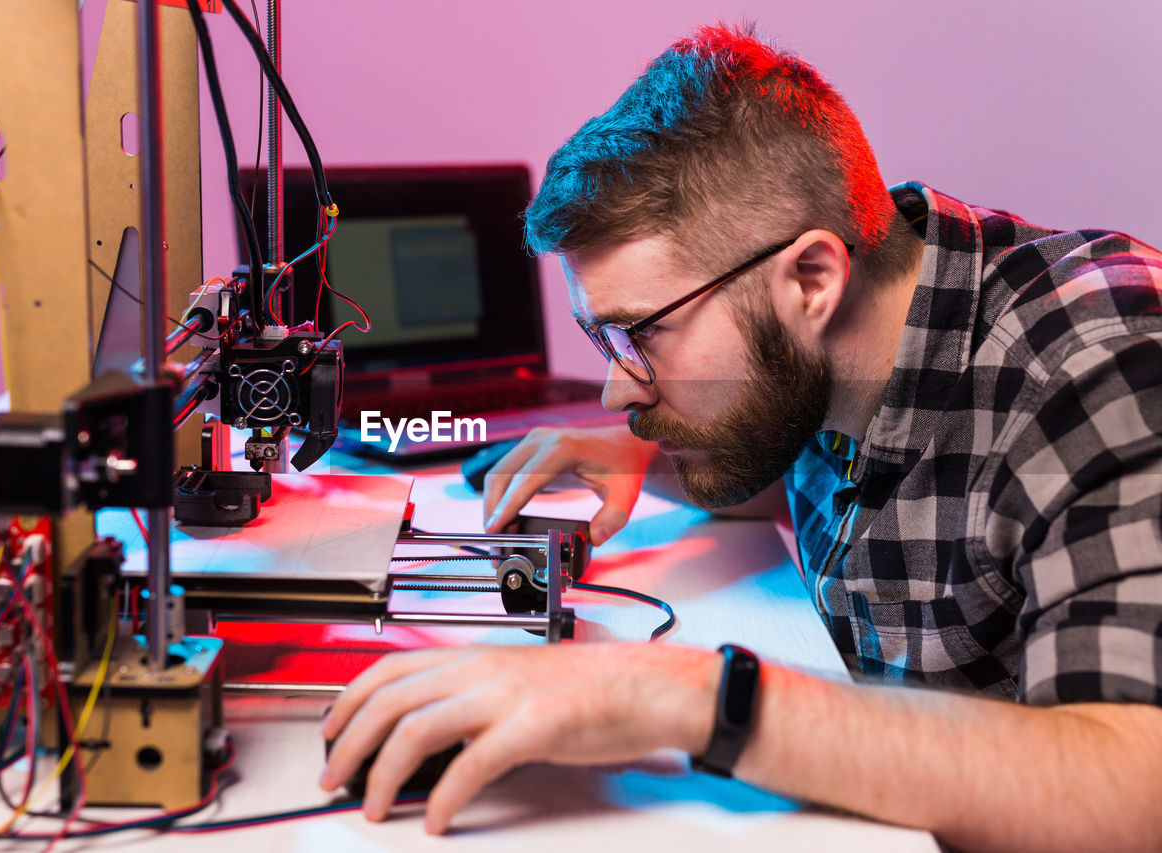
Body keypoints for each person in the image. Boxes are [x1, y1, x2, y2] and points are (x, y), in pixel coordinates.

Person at [320, 23, 1162, 850]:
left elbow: (1135, 793)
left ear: (812, 278)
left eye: (639, 335)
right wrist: (650, 454)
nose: (617, 388)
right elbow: (821, 457)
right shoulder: (840, 347)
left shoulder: (1102, 374)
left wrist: (687, 693)